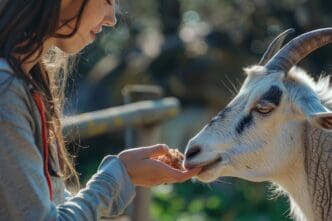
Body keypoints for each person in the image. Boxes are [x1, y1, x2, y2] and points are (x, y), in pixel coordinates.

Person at [0, 0, 201, 220]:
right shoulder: (6, 91)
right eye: (107, 1)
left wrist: (125, 176)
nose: (111, 18)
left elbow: (50, 205)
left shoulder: (26, 82)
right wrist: (120, 174)